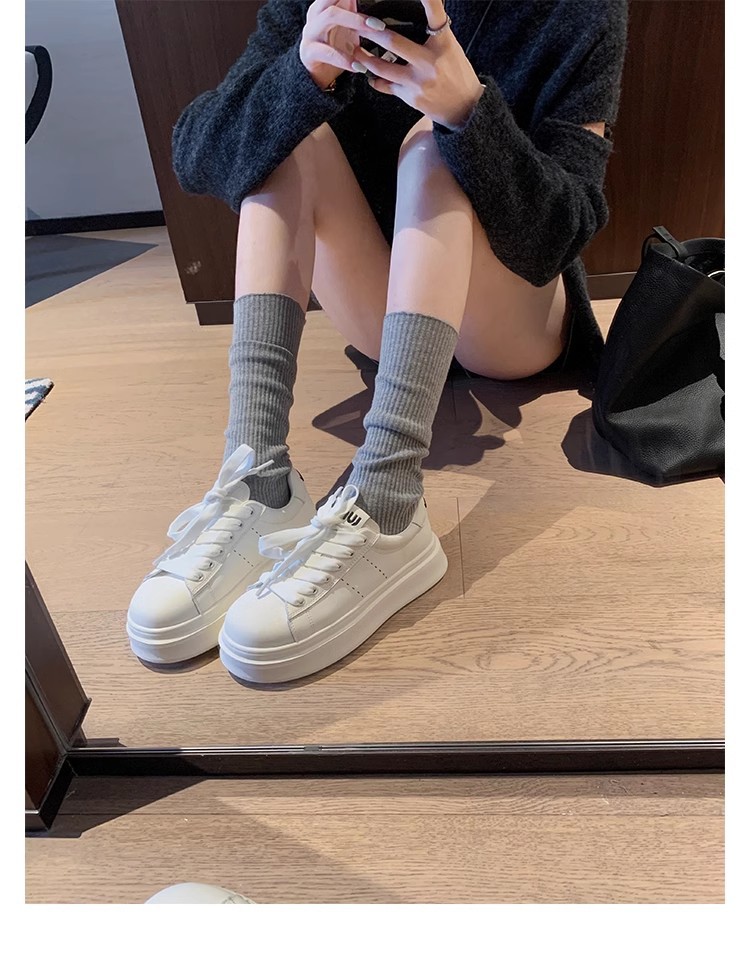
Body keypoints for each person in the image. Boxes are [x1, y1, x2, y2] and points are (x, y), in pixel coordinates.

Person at [127, 0, 628, 683]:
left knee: (432, 142)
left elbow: (564, 231)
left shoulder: (577, 8)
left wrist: (468, 112)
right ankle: (258, 476)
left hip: (512, 322)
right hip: (387, 307)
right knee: (288, 134)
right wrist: (305, 73)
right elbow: (196, 154)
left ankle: (390, 503)